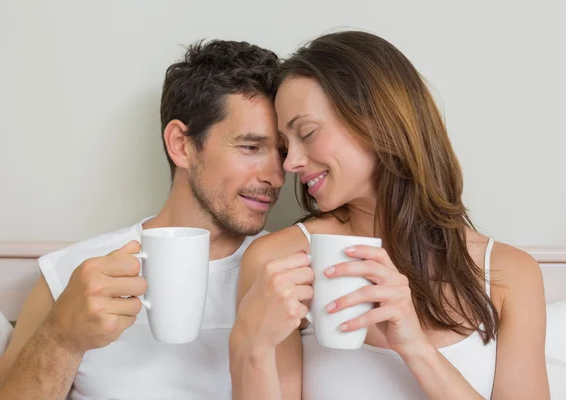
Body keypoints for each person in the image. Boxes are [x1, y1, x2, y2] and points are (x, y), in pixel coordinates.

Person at [230, 30, 550, 399]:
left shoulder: (511, 274)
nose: (291, 163)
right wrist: (249, 348)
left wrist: (416, 348)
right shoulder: (280, 263)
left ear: (377, 119)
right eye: (287, 146)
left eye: (308, 132)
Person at [0, 39, 285, 400]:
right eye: (250, 147)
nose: (276, 176)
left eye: (282, 151)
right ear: (181, 145)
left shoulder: (288, 278)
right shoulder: (77, 273)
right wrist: (60, 340)